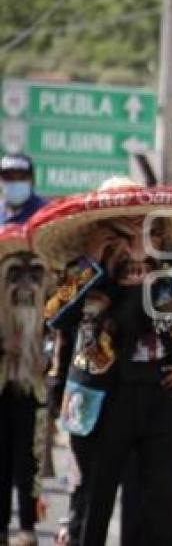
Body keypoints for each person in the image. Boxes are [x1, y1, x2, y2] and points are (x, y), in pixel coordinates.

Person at [29, 178, 172, 546]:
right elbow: (55, 316)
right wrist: (93, 261)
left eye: (147, 233)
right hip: (99, 400)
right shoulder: (81, 275)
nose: (135, 249)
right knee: (90, 503)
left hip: (161, 394)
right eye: (122, 236)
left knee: (164, 501)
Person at [0, 226, 52, 546]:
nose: (25, 285)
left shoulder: (52, 310)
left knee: (29, 464)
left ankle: (29, 526)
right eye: (15, 275)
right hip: (3, 391)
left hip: (34, 393)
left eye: (34, 275)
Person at [0, 154, 47, 226]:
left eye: (22, 177)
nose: (15, 182)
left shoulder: (45, 213)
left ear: (32, 180)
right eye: (9, 178)